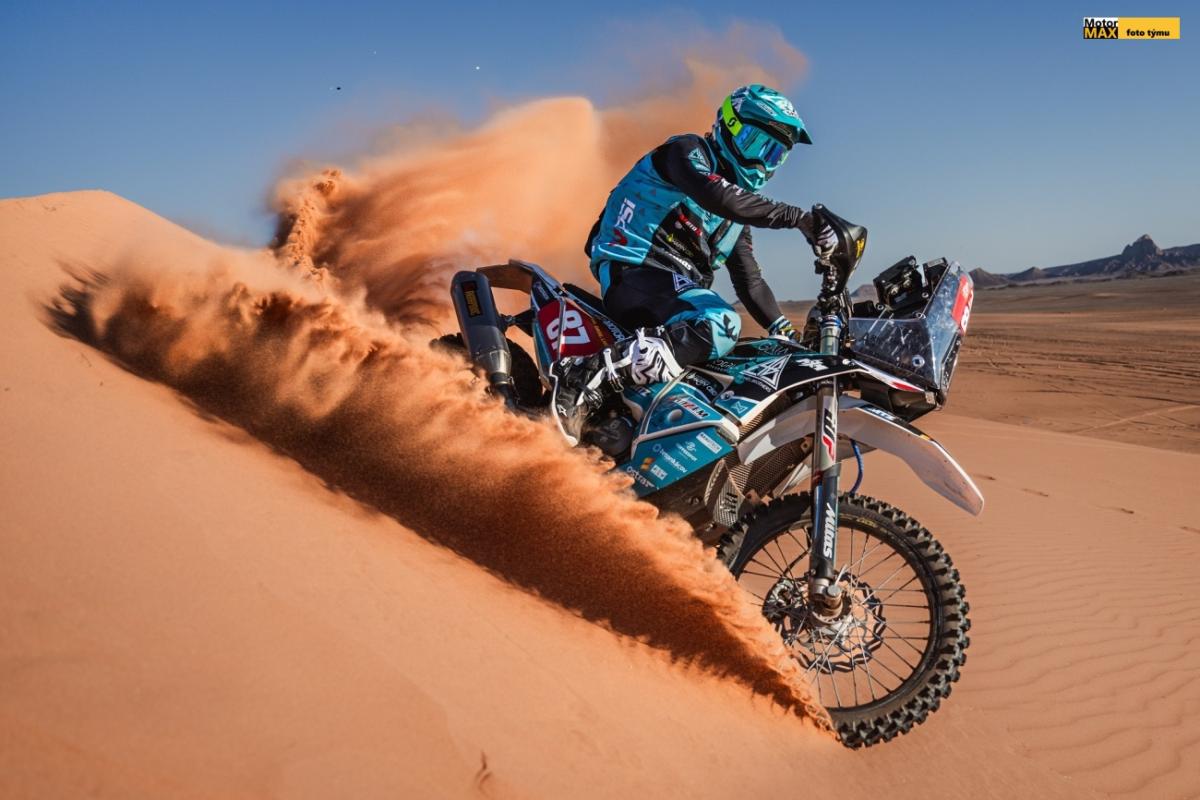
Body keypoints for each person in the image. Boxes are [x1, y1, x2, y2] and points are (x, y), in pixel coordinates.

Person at [552, 84, 835, 442]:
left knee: (752, 358)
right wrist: (799, 219)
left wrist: (785, 333)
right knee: (720, 322)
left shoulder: (735, 218)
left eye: (774, 153)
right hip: (634, 270)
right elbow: (717, 195)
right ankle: (582, 376)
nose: (763, 162)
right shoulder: (686, 152)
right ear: (729, 127)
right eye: (756, 144)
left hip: (672, 298)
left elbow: (750, 281)